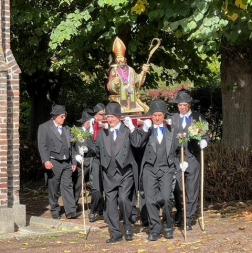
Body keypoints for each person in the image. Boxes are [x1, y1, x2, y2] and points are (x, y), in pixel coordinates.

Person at [125, 99, 178, 241]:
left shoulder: (171, 130)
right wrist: (143, 130)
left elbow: (179, 148)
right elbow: (136, 144)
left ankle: (168, 225)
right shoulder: (146, 130)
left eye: (159, 115)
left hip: (166, 168)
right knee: (149, 200)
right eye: (154, 115)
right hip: (149, 168)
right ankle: (155, 228)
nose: (157, 117)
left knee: (166, 199)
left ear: (164, 116)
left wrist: (182, 162)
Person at [95, 102, 138, 243]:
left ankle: (128, 226)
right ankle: (116, 234)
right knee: (111, 204)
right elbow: (97, 151)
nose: (110, 119)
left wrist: (134, 129)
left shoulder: (127, 131)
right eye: (107, 117)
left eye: (112, 116)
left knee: (124, 200)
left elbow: (138, 144)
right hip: (108, 174)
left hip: (125, 172)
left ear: (119, 117)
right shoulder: (103, 133)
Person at [172, 91, 208, 230]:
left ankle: (190, 218)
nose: (181, 107)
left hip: (192, 157)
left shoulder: (197, 117)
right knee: (179, 190)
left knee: (192, 189)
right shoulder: (174, 118)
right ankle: (181, 214)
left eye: (184, 105)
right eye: (179, 105)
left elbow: (204, 135)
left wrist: (204, 142)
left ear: (189, 105)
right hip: (177, 158)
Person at [37, 104, 78, 219]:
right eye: (62, 116)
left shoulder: (67, 128)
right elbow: (42, 146)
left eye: (64, 116)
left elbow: (72, 148)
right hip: (53, 162)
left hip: (66, 162)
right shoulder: (44, 127)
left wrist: (74, 162)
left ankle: (71, 211)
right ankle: (55, 210)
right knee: (53, 187)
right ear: (55, 116)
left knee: (68, 186)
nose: (64, 118)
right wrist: (45, 161)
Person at [107, 37, 150, 114]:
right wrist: (115, 83)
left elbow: (138, 81)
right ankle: (125, 108)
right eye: (119, 61)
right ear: (116, 61)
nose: (121, 62)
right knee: (123, 107)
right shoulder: (114, 70)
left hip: (132, 96)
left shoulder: (131, 70)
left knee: (137, 109)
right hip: (121, 98)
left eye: (122, 60)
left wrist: (143, 72)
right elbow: (110, 86)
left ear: (125, 60)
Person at [88, 103, 106, 222]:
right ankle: (93, 210)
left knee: (108, 188)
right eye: (101, 114)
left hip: (108, 159)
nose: (103, 117)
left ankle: (104, 211)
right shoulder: (91, 125)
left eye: (105, 114)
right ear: (95, 115)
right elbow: (87, 142)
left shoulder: (108, 123)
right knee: (97, 189)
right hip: (96, 159)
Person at [72, 110, 93, 209]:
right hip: (80, 162)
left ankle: (96, 206)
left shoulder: (92, 131)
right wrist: (76, 155)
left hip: (91, 160)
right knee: (77, 184)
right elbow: (71, 146)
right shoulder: (77, 131)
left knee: (94, 184)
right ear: (86, 122)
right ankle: (74, 204)